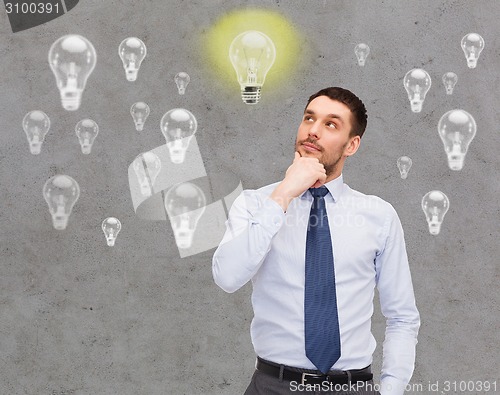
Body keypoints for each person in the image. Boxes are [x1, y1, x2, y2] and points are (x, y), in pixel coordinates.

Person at [212, 87, 420, 395]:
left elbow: (402, 317)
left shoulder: (379, 216)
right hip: (273, 386)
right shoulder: (256, 204)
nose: (313, 130)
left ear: (352, 145)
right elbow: (227, 277)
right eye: (309, 118)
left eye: (330, 124)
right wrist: (284, 194)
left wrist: (392, 390)